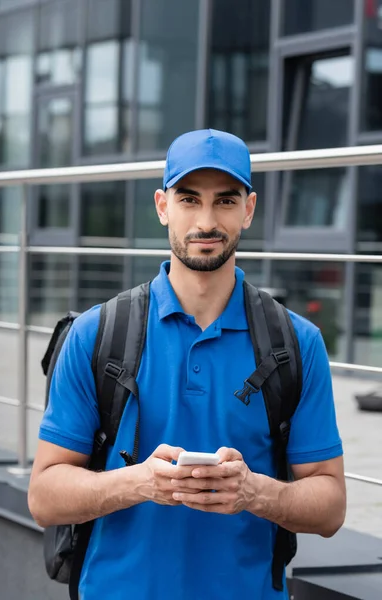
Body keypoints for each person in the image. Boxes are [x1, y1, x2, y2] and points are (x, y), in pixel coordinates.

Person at [28, 129, 346, 600]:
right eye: (189, 199)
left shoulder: (297, 343)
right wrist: (138, 482)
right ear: (162, 206)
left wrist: (253, 492)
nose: (206, 220)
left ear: (249, 209)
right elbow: (44, 498)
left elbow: (331, 508)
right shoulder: (97, 334)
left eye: (225, 201)